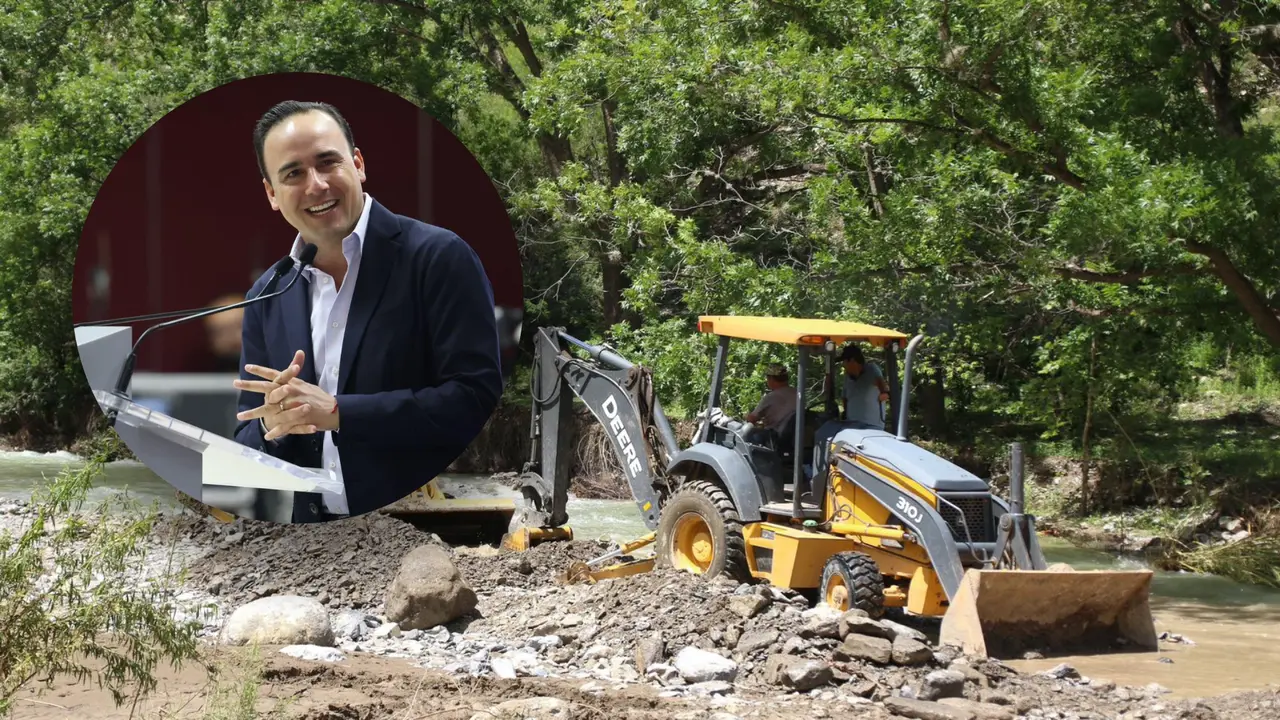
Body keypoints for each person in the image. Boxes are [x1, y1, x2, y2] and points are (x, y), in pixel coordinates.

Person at [230, 100, 503, 523]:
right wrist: (274, 423)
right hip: (314, 538)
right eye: (293, 173)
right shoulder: (267, 293)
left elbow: (474, 400)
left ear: (357, 164)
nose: (317, 185)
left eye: (328, 162)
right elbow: (248, 435)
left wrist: (339, 412)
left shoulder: (438, 258)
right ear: (271, 193)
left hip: (422, 529)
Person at [811, 343, 892, 482]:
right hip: (852, 426)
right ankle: (822, 479)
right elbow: (845, 398)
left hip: (872, 428)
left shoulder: (872, 370)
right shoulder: (848, 378)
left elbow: (884, 388)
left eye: (844, 362)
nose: (843, 366)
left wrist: (885, 394)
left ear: (852, 361)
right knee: (825, 437)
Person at [744, 363, 796, 446]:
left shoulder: (772, 396)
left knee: (746, 436)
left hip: (776, 438)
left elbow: (752, 419)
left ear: (771, 379)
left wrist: (746, 416)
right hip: (795, 437)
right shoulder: (797, 393)